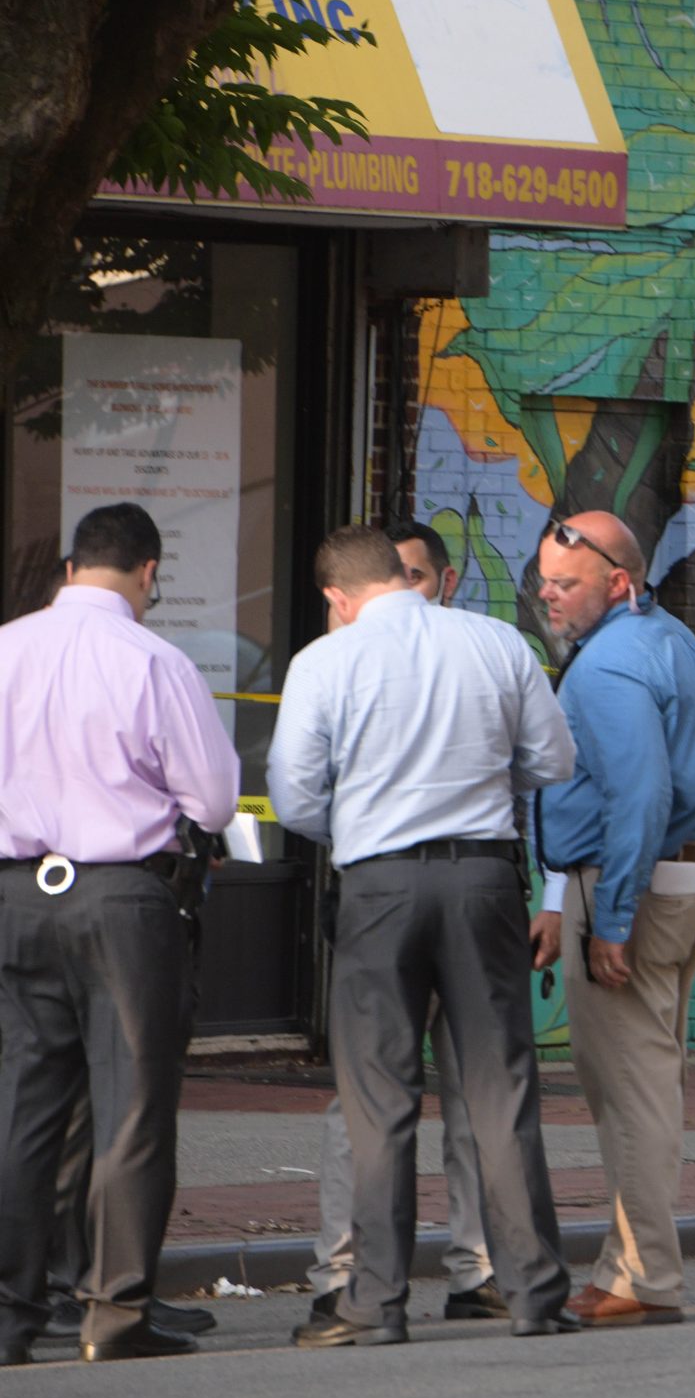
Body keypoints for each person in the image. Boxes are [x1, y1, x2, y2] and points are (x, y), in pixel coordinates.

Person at [268, 525, 580, 1346]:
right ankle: (535, 1291)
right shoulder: (496, 641)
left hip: (377, 884)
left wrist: (363, 816)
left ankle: (375, 1303)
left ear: (338, 597)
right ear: (412, 580)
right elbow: (554, 759)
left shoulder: (324, 662)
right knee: (500, 1088)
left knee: (380, 1102)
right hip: (483, 878)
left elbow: (295, 797)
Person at [0, 502, 238, 1363]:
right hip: (123, 899)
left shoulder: (5, 648)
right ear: (147, 572)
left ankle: (9, 1314)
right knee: (132, 1108)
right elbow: (212, 799)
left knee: (24, 1107)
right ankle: (116, 1311)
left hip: (19, 894)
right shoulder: (155, 659)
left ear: (69, 569)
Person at [304, 519, 507, 1326]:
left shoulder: (477, 652)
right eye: (394, 576)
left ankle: (480, 1268)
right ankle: (342, 1272)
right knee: (363, 1100)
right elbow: (302, 781)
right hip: (377, 893)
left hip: (463, 887)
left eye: (418, 575)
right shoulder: (339, 664)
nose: (406, 591)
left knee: (477, 1093)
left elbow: (535, 774)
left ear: (444, 582)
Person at [530, 511, 695, 1323]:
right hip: (688, 878)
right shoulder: (671, 639)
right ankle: (629, 1266)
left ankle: (640, 1278)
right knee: (650, 1087)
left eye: (566, 583)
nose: (548, 595)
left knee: (632, 1094)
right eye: (542, 579)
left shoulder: (606, 666)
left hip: (629, 888)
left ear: (617, 582)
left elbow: (638, 794)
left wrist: (609, 916)